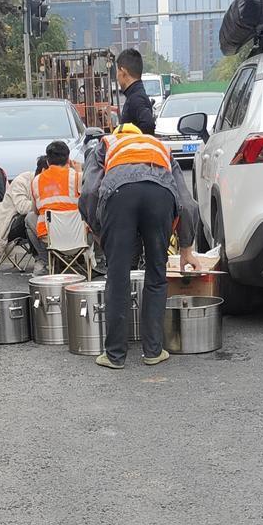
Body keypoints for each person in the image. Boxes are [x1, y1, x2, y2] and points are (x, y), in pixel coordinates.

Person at [80, 123, 199, 369]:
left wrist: (100, 231)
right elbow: (187, 202)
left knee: (118, 277)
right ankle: (153, 351)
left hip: (120, 195)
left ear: (118, 135)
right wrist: (186, 248)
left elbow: (90, 192)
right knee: (156, 275)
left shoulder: (106, 144)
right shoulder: (160, 147)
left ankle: (114, 355)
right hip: (160, 195)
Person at [27, 141, 81, 275]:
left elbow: (35, 211)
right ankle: (96, 260)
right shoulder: (77, 176)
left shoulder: (37, 181)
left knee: (29, 218)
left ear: (48, 161)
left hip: (51, 238)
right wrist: (79, 171)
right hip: (79, 237)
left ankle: (46, 262)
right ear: (68, 159)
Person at [115, 48, 156, 135]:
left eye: (117, 71)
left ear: (123, 72)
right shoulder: (135, 95)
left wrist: (135, 141)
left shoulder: (136, 99)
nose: (117, 76)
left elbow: (148, 124)